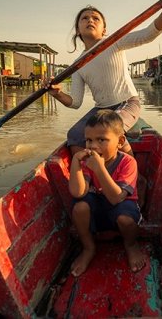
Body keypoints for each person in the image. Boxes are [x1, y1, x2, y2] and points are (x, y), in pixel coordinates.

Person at [44, 0, 162, 157]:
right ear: (78, 30)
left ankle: (132, 173)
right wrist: (57, 93)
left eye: (96, 18)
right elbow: (75, 102)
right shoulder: (77, 65)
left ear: (104, 30)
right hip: (101, 109)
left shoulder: (113, 42)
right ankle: (87, 174)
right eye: (84, 18)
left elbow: (148, 34)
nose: (90, 20)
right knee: (74, 135)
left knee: (107, 129)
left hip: (127, 103)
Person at [68, 109, 143, 276]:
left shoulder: (128, 162)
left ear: (120, 141)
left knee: (126, 220)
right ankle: (88, 247)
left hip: (121, 204)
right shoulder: (88, 162)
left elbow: (117, 198)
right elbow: (77, 192)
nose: (93, 146)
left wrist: (100, 169)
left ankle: (131, 245)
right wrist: (75, 163)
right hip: (98, 206)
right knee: (79, 208)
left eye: (101, 140)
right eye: (89, 140)